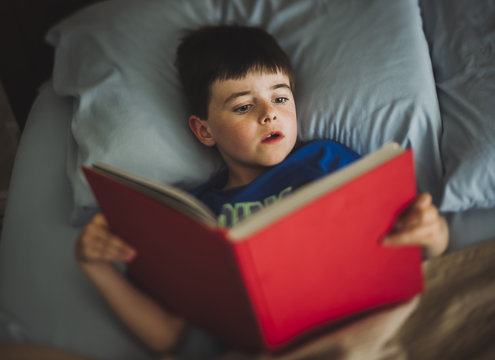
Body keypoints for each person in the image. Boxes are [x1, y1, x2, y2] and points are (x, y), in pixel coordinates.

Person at [75, 25, 449, 357]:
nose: (268, 113)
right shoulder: (198, 212)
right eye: (242, 106)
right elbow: (165, 338)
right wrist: (96, 267)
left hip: (365, 325)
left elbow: (417, 246)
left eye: (280, 98)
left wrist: (432, 234)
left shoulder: (325, 159)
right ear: (204, 130)